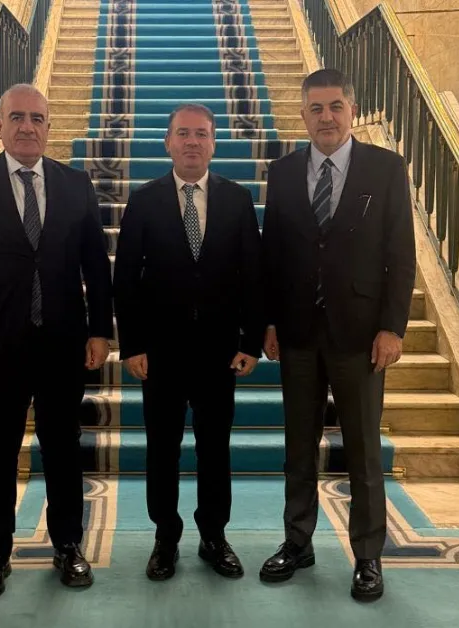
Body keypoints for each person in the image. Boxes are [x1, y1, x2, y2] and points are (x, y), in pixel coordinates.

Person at [0, 83, 113, 598]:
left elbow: (95, 265)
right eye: (17, 117)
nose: (27, 127)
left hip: (63, 343)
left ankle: (68, 545)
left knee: (63, 448)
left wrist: (100, 329)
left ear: (49, 127)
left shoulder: (76, 184)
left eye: (36, 118)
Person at [259, 69, 416, 601]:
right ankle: (297, 542)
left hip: (361, 336)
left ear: (352, 110)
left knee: (363, 450)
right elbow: (273, 254)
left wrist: (392, 327)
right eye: (316, 108)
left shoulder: (386, 168)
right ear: (303, 115)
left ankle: (368, 555)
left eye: (335, 107)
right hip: (299, 334)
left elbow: (401, 254)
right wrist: (270, 320)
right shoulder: (282, 172)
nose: (326, 117)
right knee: (298, 447)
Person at [113, 103, 265, 581]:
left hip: (220, 352)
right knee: (162, 448)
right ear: (168, 142)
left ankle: (214, 536)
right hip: (160, 352)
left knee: (214, 448)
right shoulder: (143, 200)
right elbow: (125, 280)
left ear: (214, 143)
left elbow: (253, 276)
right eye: (183, 133)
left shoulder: (238, 199)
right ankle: (165, 537)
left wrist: (251, 342)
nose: (192, 141)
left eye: (201, 133)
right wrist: (132, 345)